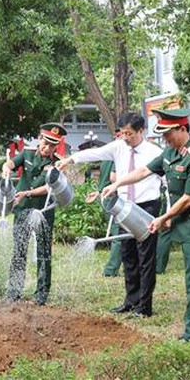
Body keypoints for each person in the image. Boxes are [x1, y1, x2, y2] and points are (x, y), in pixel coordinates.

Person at [100, 108, 190, 340]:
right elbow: (144, 170)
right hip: (183, 224)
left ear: (182, 129)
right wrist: (117, 184)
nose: (165, 139)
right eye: (163, 134)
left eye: (168, 134)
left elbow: (189, 198)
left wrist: (163, 218)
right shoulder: (170, 153)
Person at [59, 112, 162, 317]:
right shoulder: (118, 147)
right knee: (128, 254)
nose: (125, 137)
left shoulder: (154, 152)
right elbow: (95, 153)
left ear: (141, 131)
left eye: (130, 134)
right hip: (123, 206)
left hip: (146, 206)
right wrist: (70, 159)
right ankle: (130, 301)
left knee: (145, 257)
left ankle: (144, 306)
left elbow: (163, 180)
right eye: (122, 133)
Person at [4, 123, 67, 306]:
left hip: (44, 211)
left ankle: (41, 294)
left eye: (52, 145)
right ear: (40, 139)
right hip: (23, 209)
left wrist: (28, 193)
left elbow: (49, 187)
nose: (47, 148)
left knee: (43, 252)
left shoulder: (57, 163)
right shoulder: (28, 154)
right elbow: (11, 163)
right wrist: (6, 168)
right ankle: (14, 291)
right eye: (45, 143)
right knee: (19, 250)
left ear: (57, 145)